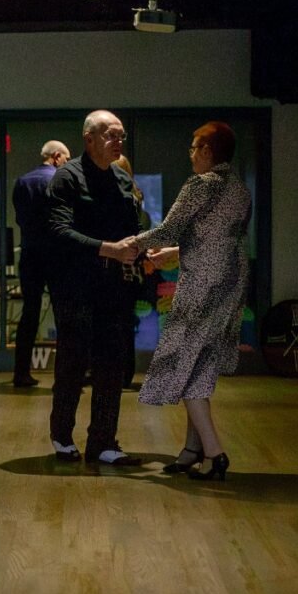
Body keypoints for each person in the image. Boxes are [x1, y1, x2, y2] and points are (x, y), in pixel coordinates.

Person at [133, 122, 251, 481]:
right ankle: (191, 450)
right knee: (200, 364)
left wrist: (130, 244)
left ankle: (215, 455)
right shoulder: (239, 188)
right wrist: (175, 253)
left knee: (184, 364)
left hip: (203, 283)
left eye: (193, 147)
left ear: (207, 151)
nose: (191, 155)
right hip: (231, 281)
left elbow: (170, 227)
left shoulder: (201, 184)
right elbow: (217, 239)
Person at [45, 110, 142, 466]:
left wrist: (142, 249)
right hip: (75, 284)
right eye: (110, 135)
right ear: (89, 139)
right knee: (73, 361)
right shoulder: (66, 178)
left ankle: (103, 441)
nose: (117, 141)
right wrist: (108, 249)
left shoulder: (120, 178)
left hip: (113, 285)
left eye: (121, 136)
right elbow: (57, 231)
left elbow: (131, 228)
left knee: (111, 365)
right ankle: (61, 434)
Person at [11, 140, 70, 386]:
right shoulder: (60, 181)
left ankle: (21, 373)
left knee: (29, 314)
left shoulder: (22, 182)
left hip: (30, 254)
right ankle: (63, 378)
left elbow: (20, 218)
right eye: (66, 159)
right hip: (57, 256)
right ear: (56, 157)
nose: (67, 164)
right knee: (62, 314)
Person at [112, 154, 151, 391]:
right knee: (126, 323)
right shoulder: (137, 198)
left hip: (117, 266)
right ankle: (125, 373)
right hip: (133, 270)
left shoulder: (118, 197)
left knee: (112, 324)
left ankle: (113, 374)